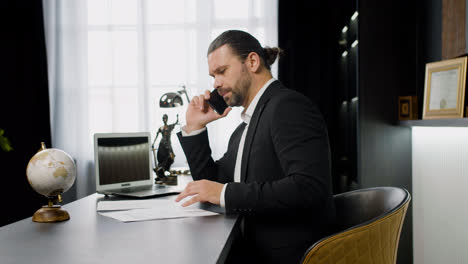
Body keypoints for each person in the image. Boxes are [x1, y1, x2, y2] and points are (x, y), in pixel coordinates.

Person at [175, 30, 336, 263]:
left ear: (252, 61)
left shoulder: (287, 106)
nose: (216, 83)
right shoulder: (244, 128)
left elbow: (309, 187)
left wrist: (223, 193)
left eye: (221, 71)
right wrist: (195, 128)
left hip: (284, 256)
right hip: (250, 249)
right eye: (213, 76)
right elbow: (212, 183)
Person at [152, 114, 178, 179]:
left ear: (167, 119)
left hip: (168, 144)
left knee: (171, 157)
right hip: (162, 144)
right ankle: (160, 171)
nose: (164, 120)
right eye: (163, 118)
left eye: (165, 118)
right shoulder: (161, 128)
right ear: (162, 119)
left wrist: (177, 117)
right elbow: (156, 135)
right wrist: (153, 143)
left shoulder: (169, 127)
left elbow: (176, 123)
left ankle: (164, 170)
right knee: (162, 158)